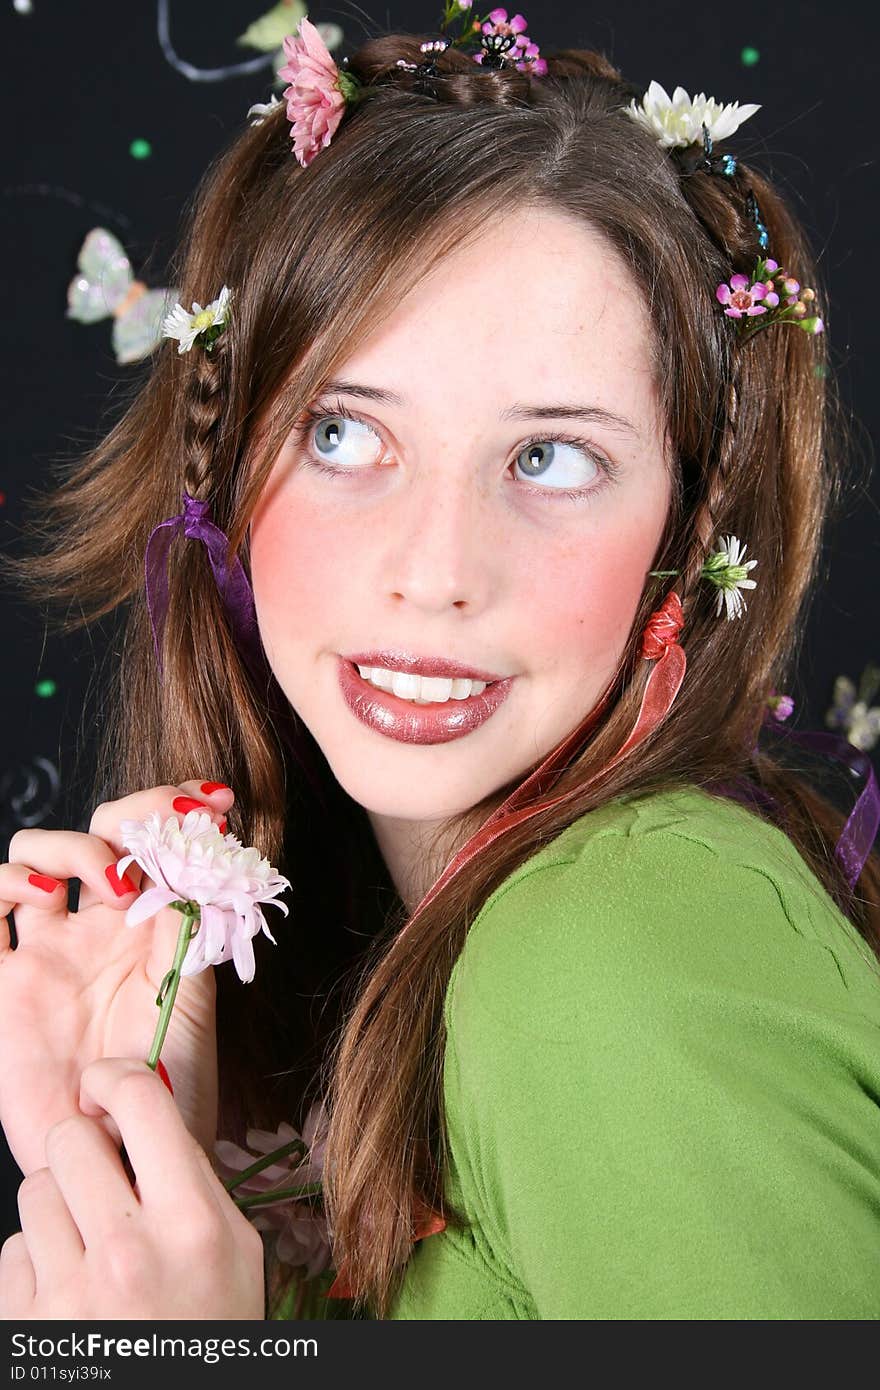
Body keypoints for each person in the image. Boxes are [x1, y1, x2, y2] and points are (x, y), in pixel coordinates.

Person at [0, 10, 878, 1321]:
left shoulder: (614, 952)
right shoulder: (426, 953)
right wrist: (144, 1151)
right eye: (345, 432)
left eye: (549, 458)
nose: (434, 566)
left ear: (689, 540)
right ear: (228, 465)